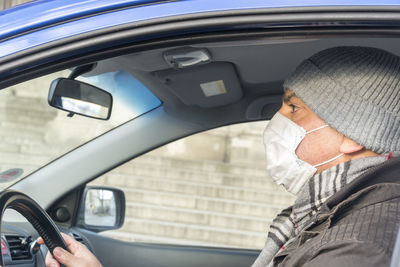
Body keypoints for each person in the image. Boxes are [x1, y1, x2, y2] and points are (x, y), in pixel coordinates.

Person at [40, 46, 400, 267]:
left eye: (293, 108)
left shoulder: (358, 246)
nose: (277, 122)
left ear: (352, 136)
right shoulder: (333, 214)